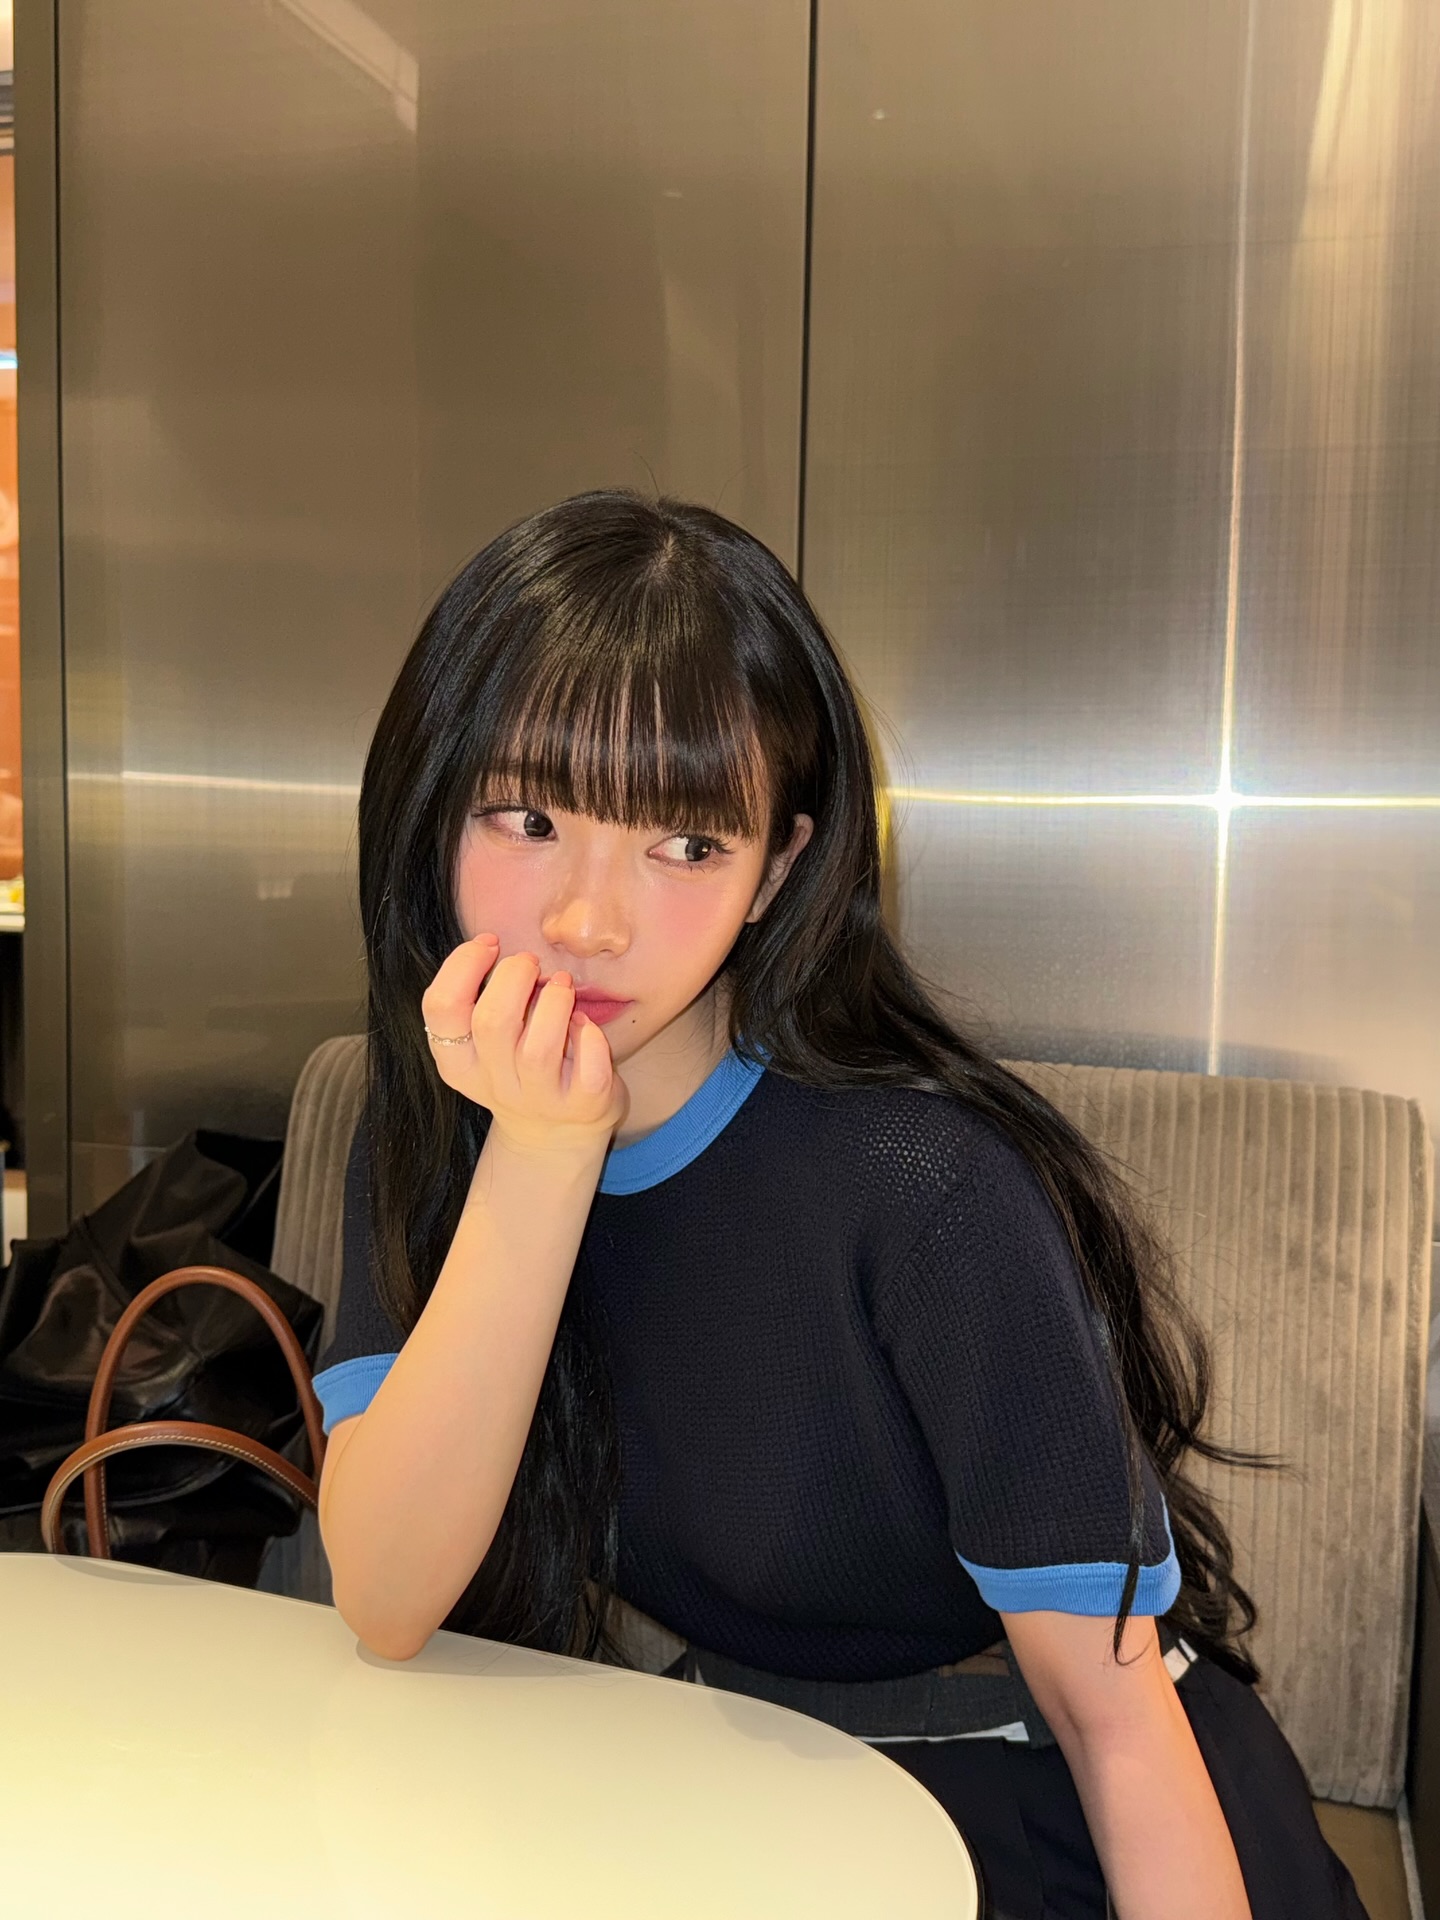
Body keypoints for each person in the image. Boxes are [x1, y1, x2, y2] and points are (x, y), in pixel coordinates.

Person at [314, 490, 1367, 1920]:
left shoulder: (922, 1185)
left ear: (780, 870)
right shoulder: (436, 1123)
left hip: (1031, 1803)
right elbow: (385, 1597)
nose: (587, 920)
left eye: (687, 844)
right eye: (531, 817)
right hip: (756, 1788)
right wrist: (543, 1156)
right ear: (434, 808)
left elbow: (1116, 1727)